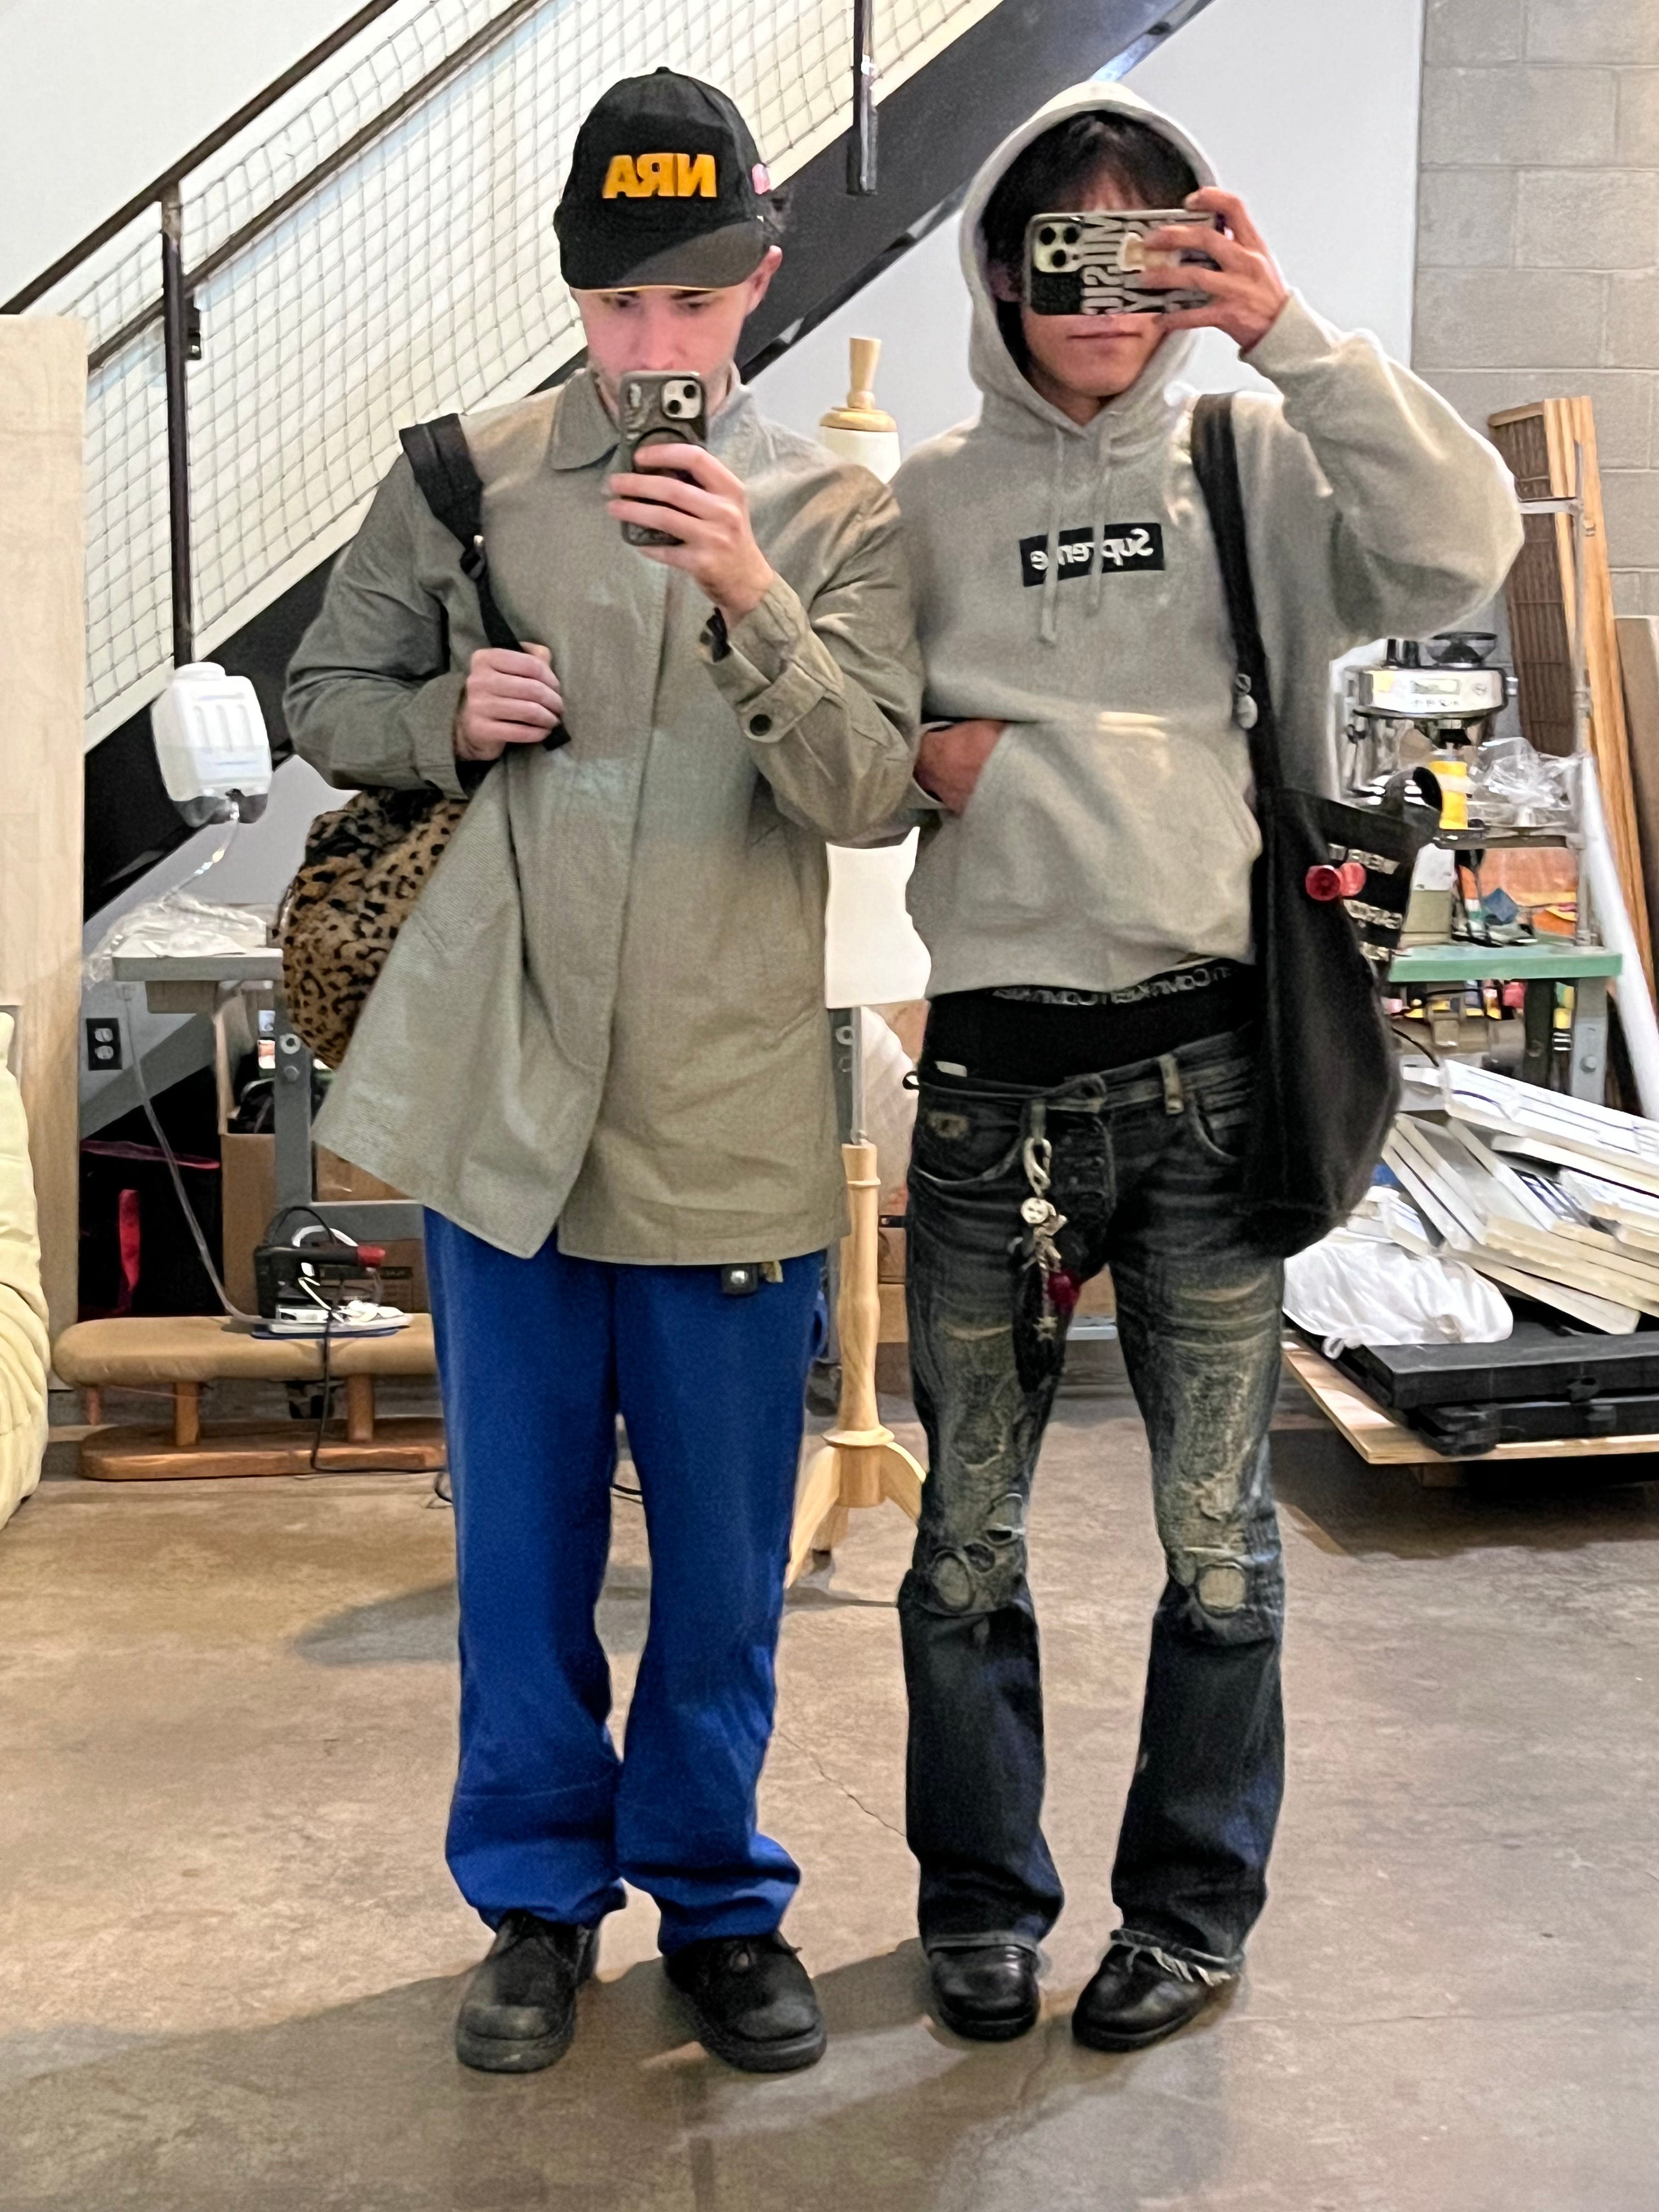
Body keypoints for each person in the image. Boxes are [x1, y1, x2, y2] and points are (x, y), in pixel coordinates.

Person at [284, 69, 920, 2076]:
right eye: (622, 302)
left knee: (725, 1568)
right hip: (511, 1105)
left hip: (730, 1109)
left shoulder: (842, 514)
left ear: (764, 280)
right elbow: (326, 693)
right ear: (571, 289)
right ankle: (538, 1902)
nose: (658, 345)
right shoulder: (461, 480)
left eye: (696, 300)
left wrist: (748, 593)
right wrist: (444, 717)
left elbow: (871, 788)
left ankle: (718, 1899)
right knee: (522, 1551)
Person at [887, 83, 1521, 2050]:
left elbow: (1461, 547)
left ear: (1192, 266)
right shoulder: (921, 501)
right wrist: (915, 751)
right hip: (991, 1088)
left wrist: (1291, 333)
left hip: (1207, 1073)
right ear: (1000, 273)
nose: (1101, 296)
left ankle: (1189, 1911)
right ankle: (980, 1902)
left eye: (1143, 252)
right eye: (1063, 251)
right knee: (963, 1535)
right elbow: (832, 742)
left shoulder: (1253, 461)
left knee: (1220, 1539)